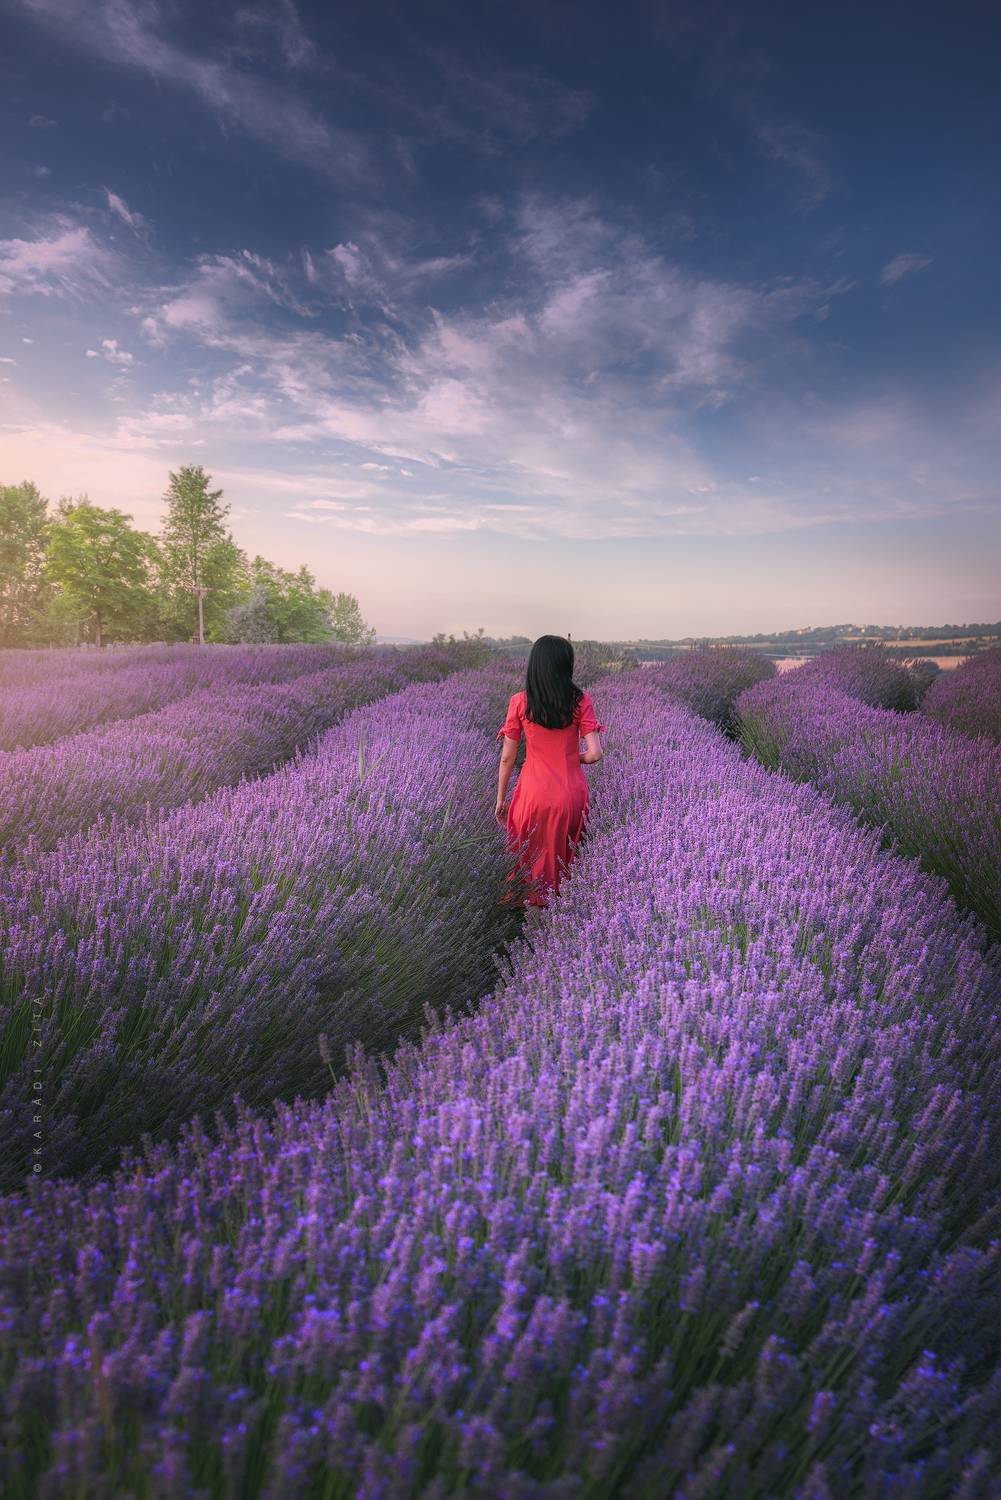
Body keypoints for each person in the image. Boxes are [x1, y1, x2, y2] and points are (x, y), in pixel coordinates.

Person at [495, 634, 605, 908]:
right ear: (566, 665)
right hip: (569, 796)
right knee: (565, 864)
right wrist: (568, 758)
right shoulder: (581, 701)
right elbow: (595, 754)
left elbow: (507, 758)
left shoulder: (520, 702)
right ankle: (564, 926)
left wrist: (500, 799)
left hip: (532, 795)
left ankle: (527, 924)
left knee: (527, 859)